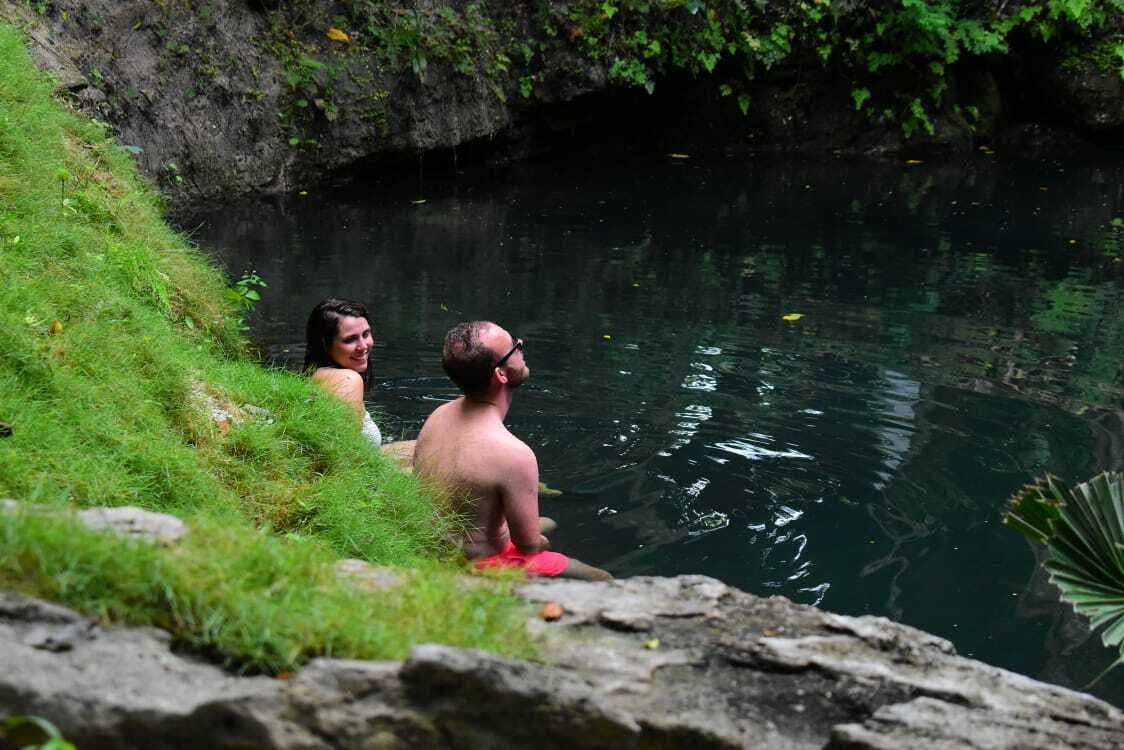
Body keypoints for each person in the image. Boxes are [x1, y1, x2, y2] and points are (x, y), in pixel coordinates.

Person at [413, 321, 611, 580]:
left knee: (549, 521)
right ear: (501, 375)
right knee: (602, 578)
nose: (521, 346)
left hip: (434, 547)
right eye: (514, 347)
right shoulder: (514, 454)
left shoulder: (438, 416)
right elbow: (528, 546)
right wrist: (537, 540)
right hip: (479, 563)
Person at [305, 298, 413, 464]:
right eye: (350, 340)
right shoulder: (348, 379)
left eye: (366, 334)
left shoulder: (317, 375)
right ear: (325, 345)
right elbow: (345, 455)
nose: (363, 346)